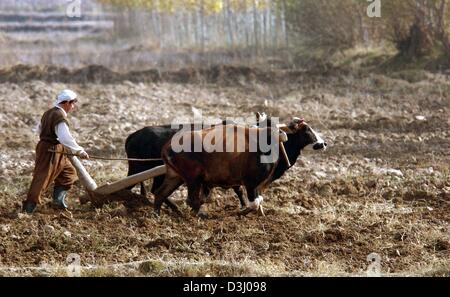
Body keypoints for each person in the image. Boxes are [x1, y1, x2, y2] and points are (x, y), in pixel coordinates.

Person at [22, 89, 89, 213]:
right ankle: (28, 209)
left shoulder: (48, 112)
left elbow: (39, 129)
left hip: (53, 148)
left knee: (68, 173)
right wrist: (80, 151)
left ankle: (58, 202)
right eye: (73, 103)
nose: (73, 107)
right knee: (42, 179)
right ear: (67, 103)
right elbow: (65, 138)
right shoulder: (59, 116)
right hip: (51, 150)